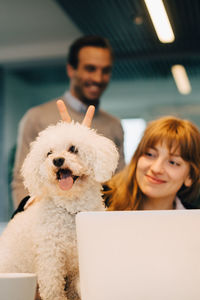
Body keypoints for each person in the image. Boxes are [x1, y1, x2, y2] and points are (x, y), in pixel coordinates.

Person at [12, 35, 125, 208]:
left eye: (105, 70)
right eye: (90, 68)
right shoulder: (37, 117)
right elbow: (21, 182)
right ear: (71, 70)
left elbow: (119, 181)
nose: (98, 78)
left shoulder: (114, 125)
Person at [104, 116, 200, 211]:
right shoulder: (100, 204)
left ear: (190, 176)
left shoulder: (194, 222)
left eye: (172, 162)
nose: (156, 169)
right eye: (150, 154)